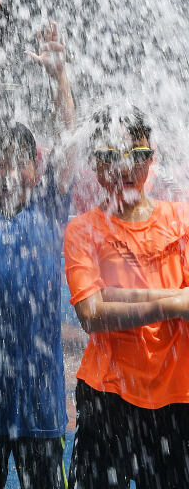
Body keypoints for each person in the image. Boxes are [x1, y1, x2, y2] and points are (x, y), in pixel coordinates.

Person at [0, 22, 76, 489]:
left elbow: (70, 141)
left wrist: (59, 78)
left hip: (40, 405)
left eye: (17, 160)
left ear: (35, 167)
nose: (5, 172)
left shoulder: (47, 206)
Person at [64, 106, 189, 489]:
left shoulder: (181, 221)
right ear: (95, 164)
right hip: (108, 396)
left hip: (176, 395)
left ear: (151, 158)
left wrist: (116, 297)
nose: (124, 168)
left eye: (137, 156)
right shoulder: (83, 230)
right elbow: (92, 314)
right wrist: (175, 300)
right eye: (109, 156)